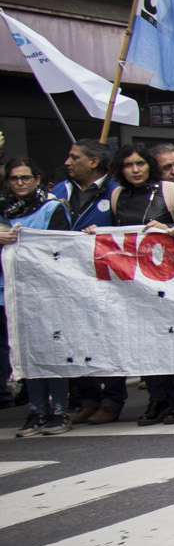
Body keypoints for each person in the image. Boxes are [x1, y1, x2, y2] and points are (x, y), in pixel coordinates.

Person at [100, 145, 174, 425]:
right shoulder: (117, 196)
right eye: (128, 165)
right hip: (135, 282)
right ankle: (157, 399)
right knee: (145, 340)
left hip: (170, 278)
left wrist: (170, 230)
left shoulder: (171, 192)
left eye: (140, 164)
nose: (135, 170)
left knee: (172, 338)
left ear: (150, 166)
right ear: (120, 169)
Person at [0, 157, 70, 436]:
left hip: (45, 291)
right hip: (11, 291)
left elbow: (60, 246)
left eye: (25, 178)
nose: (20, 183)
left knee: (53, 349)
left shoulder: (52, 208)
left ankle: (60, 409)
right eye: (14, 178)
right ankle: (37, 409)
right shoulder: (2, 211)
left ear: (37, 180)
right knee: (24, 351)